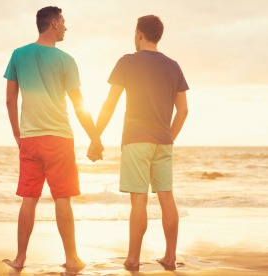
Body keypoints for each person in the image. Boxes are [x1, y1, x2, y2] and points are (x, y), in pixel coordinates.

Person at [3, 6, 103, 270]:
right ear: (55, 23)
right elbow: (79, 104)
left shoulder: (18, 55)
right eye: (64, 22)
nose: (67, 27)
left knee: (29, 199)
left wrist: (18, 134)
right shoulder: (66, 61)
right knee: (62, 198)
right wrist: (95, 137)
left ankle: (20, 259)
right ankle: (71, 258)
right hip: (59, 138)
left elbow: (10, 99)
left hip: (30, 139)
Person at [89, 15, 189, 271]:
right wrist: (168, 138)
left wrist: (95, 137)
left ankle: (133, 258)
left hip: (136, 139)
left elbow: (110, 104)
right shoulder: (174, 66)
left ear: (139, 33)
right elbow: (183, 111)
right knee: (167, 197)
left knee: (139, 201)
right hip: (163, 141)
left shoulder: (127, 62)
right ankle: (170, 257)